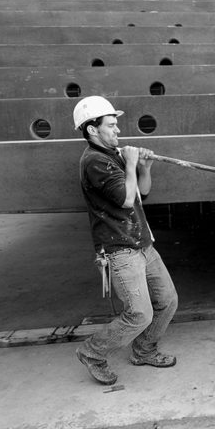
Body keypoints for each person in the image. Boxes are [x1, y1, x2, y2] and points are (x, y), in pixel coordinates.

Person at [73, 95, 178, 385]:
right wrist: (130, 163)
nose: (118, 130)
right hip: (119, 251)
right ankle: (92, 352)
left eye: (117, 125)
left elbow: (142, 193)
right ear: (92, 130)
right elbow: (125, 199)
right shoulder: (94, 161)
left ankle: (144, 350)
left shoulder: (114, 155)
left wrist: (143, 167)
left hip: (142, 244)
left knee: (167, 301)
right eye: (111, 125)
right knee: (139, 314)